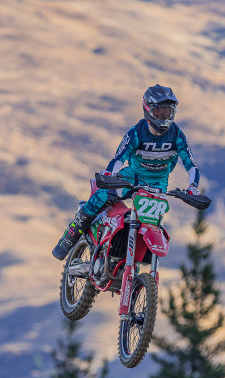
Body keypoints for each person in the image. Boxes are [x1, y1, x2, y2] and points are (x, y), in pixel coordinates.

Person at [52, 84, 201, 260]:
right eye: (159, 112)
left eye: (167, 112)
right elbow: (118, 158)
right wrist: (110, 175)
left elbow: (191, 165)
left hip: (158, 184)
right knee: (102, 196)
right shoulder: (136, 133)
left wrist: (193, 187)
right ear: (148, 110)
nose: (163, 117)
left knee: (152, 224)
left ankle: (128, 258)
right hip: (132, 178)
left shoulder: (177, 135)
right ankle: (71, 234)